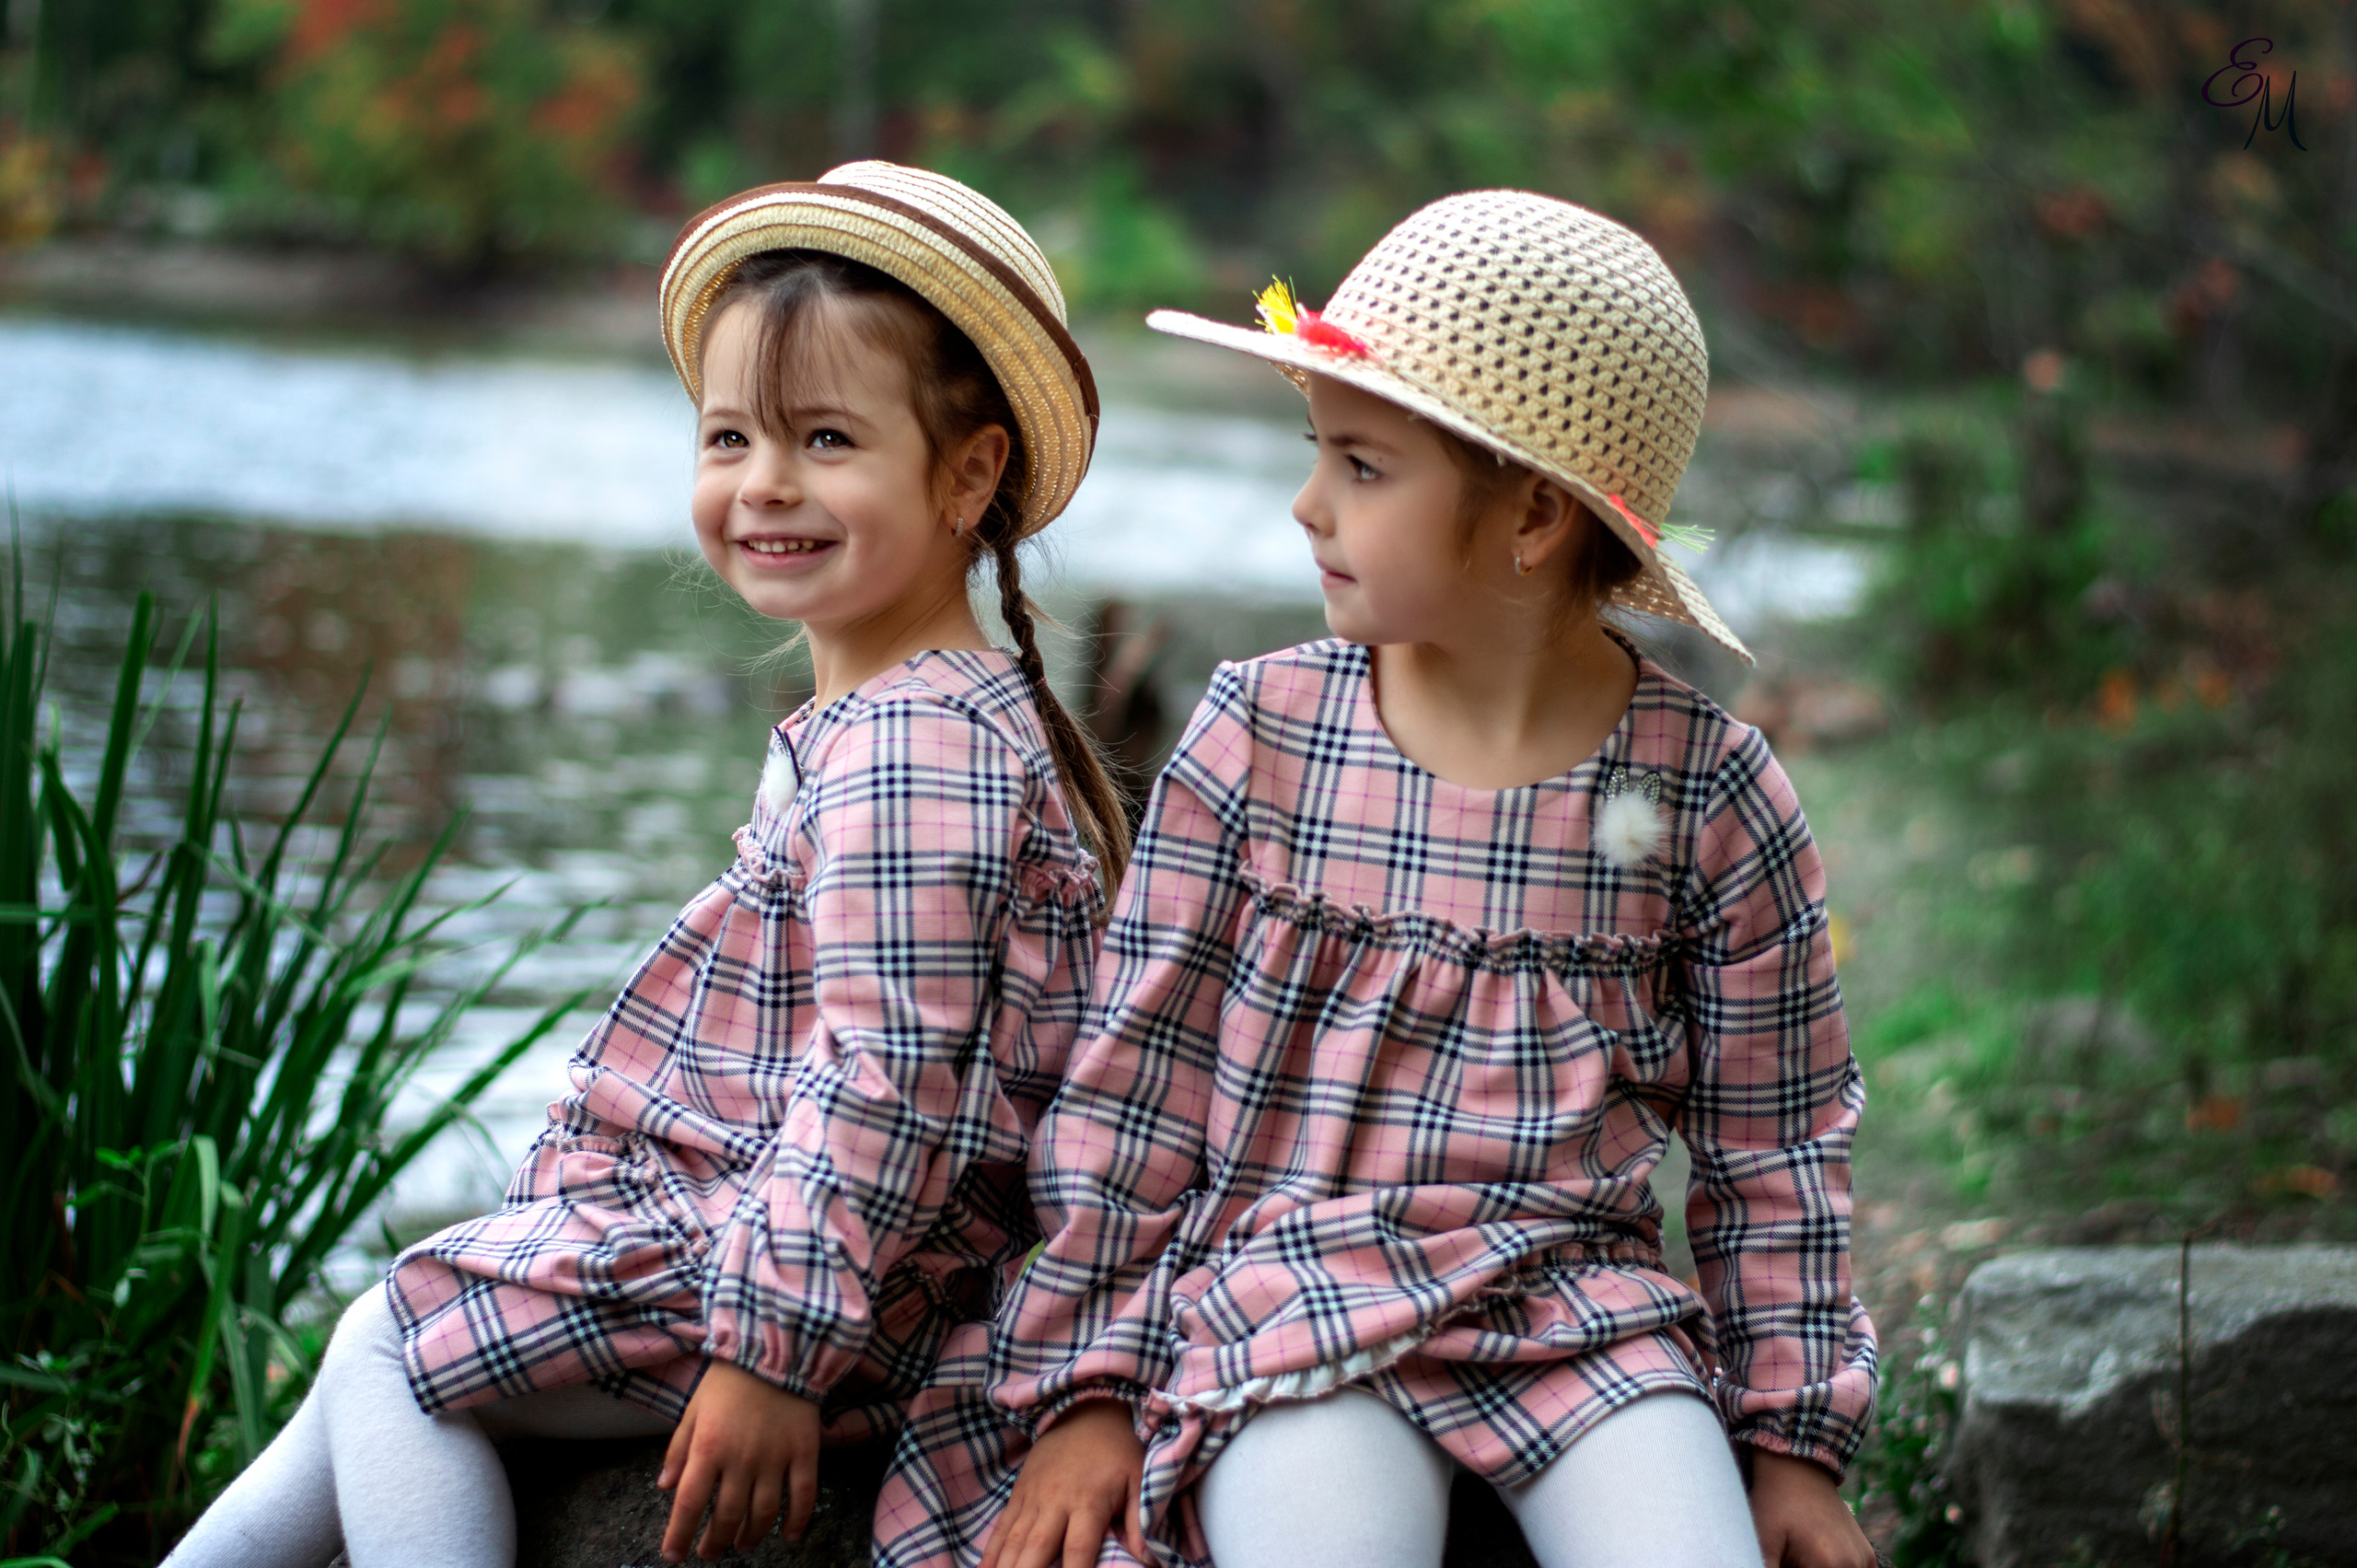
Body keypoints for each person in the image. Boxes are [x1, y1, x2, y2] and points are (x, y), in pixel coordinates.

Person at [877, 191, 1879, 1568]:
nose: (1308, 503)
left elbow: (1777, 1152)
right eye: (1318, 454)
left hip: (1580, 1314)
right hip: (1296, 1294)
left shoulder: (1707, 790)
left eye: (1362, 464)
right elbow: (1135, 1087)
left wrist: (1787, 1447)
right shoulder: (1257, 736)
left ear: (1531, 515)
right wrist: (1090, 1389)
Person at [165, 161, 1129, 1568]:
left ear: (971, 471)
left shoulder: (916, 751)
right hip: (831, 1254)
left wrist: (775, 1358)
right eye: (729, 436)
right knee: (382, 1347)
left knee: (394, 1342)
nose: (765, 484)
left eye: (827, 440)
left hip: (854, 1301)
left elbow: (890, 1079)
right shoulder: (907, 715)